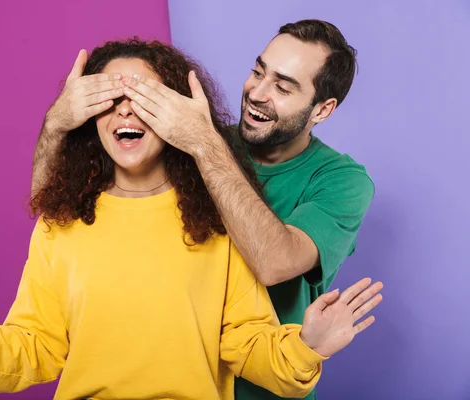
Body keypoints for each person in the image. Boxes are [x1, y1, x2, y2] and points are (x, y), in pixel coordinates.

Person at [0, 39, 383, 400]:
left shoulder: (223, 206)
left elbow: (250, 335)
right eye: (259, 71)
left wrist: (308, 347)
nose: (258, 92)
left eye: (147, 98)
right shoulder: (62, 225)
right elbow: (33, 345)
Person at [31, 19, 373, 400]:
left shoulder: (341, 181)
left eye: (282, 86)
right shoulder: (197, 140)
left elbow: (274, 262)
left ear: (322, 109)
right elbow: (58, 201)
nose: (257, 93)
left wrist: (202, 142)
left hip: (278, 380)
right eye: (257, 71)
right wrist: (57, 122)